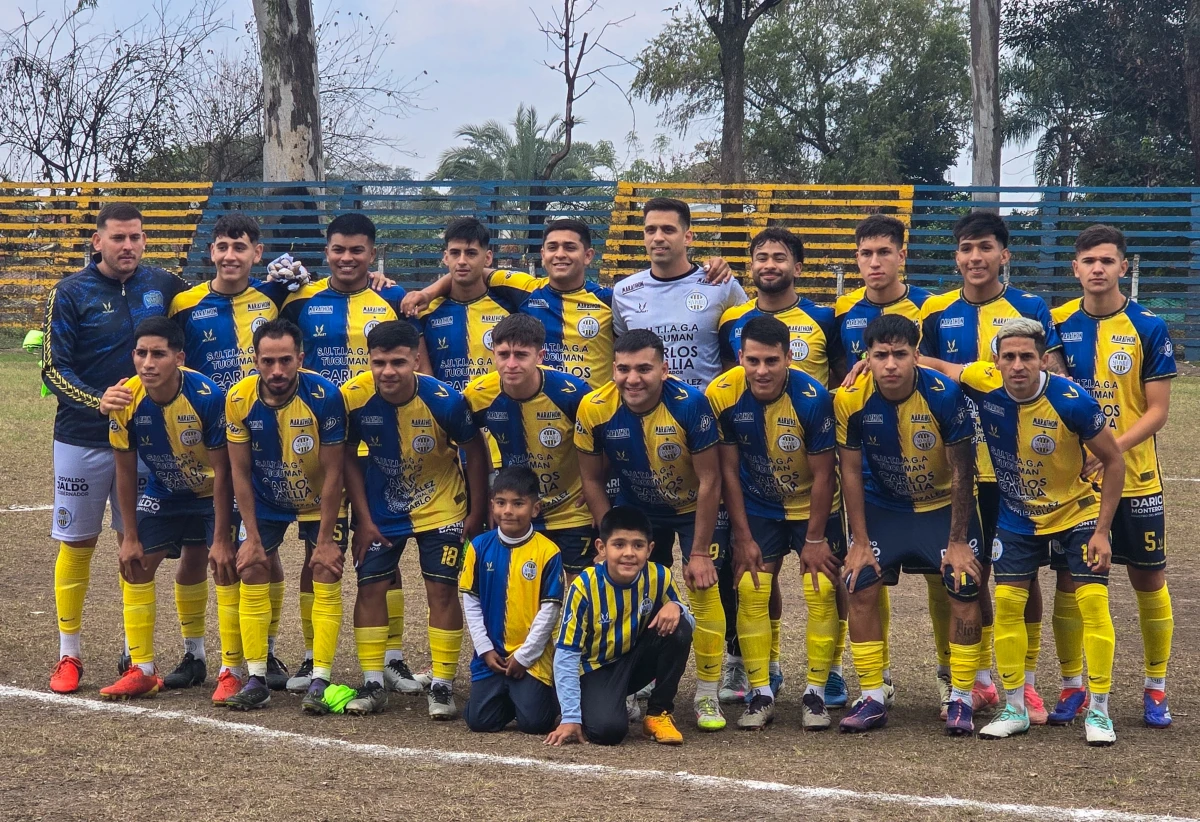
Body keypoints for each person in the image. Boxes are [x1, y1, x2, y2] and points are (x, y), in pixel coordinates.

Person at [930, 318, 1125, 746]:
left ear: (1043, 360)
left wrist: (1103, 532)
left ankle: (1100, 711)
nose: (1018, 365)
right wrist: (867, 364)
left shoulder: (1073, 400)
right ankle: (1015, 707)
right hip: (1017, 518)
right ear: (996, 361)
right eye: (1009, 357)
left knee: (1093, 604)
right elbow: (935, 366)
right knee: (1007, 605)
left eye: (1027, 357)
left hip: (1077, 514)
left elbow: (1114, 461)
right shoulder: (984, 384)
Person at [914, 211, 1066, 721]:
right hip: (960, 464)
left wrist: (958, 371)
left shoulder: (1030, 307)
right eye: (965, 248)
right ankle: (979, 678)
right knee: (970, 573)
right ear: (955, 256)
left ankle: (1023, 679)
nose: (974, 258)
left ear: (1005, 255)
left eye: (984, 248)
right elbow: (918, 373)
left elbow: (1057, 378)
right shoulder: (935, 311)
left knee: (1022, 577)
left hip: (1021, 466)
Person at [45, 202, 190, 694]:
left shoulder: (165, 285)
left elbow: (219, 299)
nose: (127, 246)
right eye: (118, 238)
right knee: (78, 542)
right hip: (82, 438)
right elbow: (52, 366)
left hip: (147, 440)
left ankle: (136, 655)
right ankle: (69, 654)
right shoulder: (70, 292)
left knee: (139, 544)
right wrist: (97, 400)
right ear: (97, 242)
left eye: (135, 237)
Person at [280, 213, 421, 694]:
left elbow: (434, 308)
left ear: (372, 253)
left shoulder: (393, 299)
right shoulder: (301, 301)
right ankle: (310, 655)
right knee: (313, 549)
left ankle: (394, 658)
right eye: (339, 249)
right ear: (326, 251)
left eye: (357, 250)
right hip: (318, 444)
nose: (347, 258)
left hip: (381, 441)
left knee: (382, 543)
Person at [1050, 225, 1176, 728]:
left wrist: (1111, 450)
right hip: (1074, 482)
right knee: (1071, 579)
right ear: (1075, 268)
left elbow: (1158, 410)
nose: (1097, 268)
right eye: (1088, 260)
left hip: (1137, 477)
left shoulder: (1149, 326)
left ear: (1124, 266)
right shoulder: (1056, 324)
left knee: (1148, 577)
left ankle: (1156, 686)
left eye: (1107, 260)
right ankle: (1072, 685)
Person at [835, 315, 984, 735]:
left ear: (917, 355)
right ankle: (872, 695)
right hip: (886, 508)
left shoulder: (945, 394)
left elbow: (962, 471)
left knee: (964, 584)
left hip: (940, 506)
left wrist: (957, 541)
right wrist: (859, 540)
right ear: (867, 358)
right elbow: (848, 472)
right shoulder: (851, 399)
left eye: (900, 354)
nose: (891, 365)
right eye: (880, 355)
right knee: (859, 583)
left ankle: (960, 696)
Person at [715, 225, 844, 708]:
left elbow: (839, 375)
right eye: (761, 257)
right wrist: (743, 533)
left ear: (798, 265)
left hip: (812, 484)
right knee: (751, 583)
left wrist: (814, 536)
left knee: (825, 585)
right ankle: (760, 675)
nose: (770, 264)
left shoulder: (824, 321)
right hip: (759, 493)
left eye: (779, 257)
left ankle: (825, 676)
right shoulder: (732, 324)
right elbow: (726, 467)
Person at [574, 329, 729, 731]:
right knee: (637, 593)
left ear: (665, 369)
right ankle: (638, 682)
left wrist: (698, 551)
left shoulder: (690, 404)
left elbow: (711, 480)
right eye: (623, 369)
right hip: (640, 507)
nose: (633, 379)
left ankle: (708, 693)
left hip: (693, 505)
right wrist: (611, 541)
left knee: (703, 585)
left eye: (644, 369)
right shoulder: (594, 407)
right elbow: (591, 480)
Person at [168, 211, 294, 695]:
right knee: (199, 549)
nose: (229, 255)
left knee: (261, 546)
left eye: (240, 247)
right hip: (200, 439)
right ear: (212, 252)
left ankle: (263, 649)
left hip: (263, 437)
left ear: (256, 254)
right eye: (222, 246)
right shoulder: (185, 302)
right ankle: (194, 651)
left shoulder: (278, 298)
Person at [341, 320, 489, 719]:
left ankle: (441, 685)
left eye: (398, 362)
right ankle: (373, 683)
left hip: (441, 505)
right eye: (379, 362)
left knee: (440, 591)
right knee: (369, 589)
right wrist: (362, 517)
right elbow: (345, 456)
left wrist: (476, 512)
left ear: (416, 360)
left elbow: (475, 452)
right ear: (368, 361)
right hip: (380, 511)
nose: (388, 371)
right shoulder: (351, 398)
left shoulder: (445, 400)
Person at [99, 318, 232, 700]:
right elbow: (124, 471)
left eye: (158, 354)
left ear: (179, 357)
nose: (148, 363)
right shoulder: (126, 399)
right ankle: (141, 668)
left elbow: (224, 472)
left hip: (212, 492)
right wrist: (130, 536)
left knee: (218, 563)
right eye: (141, 353)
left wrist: (221, 537)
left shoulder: (207, 395)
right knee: (136, 564)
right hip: (165, 490)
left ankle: (227, 667)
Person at [222, 319, 347, 714]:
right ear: (255, 361)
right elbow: (239, 472)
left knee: (325, 569)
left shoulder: (325, 396)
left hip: (318, 498)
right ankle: (256, 677)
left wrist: (325, 540)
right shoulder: (239, 398)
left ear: (300, 359)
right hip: (267, 498)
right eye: (268, 361)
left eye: (285, 361)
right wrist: (252, 538)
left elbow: (334, 473)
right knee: (252, 566)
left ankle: (320, 678)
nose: (277, 371)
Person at [545, 506, 694, 746]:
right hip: (594, 669)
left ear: (650, 549)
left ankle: (658, 714)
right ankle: (584, 706)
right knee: (608, 732)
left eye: (638, 545)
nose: (629, 553)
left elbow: (688, 626)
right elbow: (566, 654)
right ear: (602, 548)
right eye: (619, 544)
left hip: (631, 660)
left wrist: (677, 606)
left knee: (680, 627)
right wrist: (571, 716)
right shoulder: (584, 586)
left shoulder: (659, 576)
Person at [403, 219, 613, 388]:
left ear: (587, 256)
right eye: (552, 247)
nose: (559, 254)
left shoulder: (609, 299)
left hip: (591, 412)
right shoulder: (524, 289)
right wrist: (428, 294)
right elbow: (466, 273)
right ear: (543, 255)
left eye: (569, 247)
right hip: (538, 410)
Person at [463, 314, 594, 580]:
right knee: (520, 587)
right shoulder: (477, 395)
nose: (511, 364)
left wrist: (597, 493)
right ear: (493, 353)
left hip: (571, 508)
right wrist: (485, 500)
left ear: (540, 355)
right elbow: (472, 447)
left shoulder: (573, 393)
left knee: (581, 588)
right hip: (517, 509)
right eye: (503, 354)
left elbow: (602, 444)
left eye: (521, 355)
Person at [461, 466, 563, 734]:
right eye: (501, 503)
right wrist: (484, 649)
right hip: (492, 655)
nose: (508, 511)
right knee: (479, 722)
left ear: (535, 508)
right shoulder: (479, 547)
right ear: (492, 505)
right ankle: (506, 695)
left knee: (536, 724)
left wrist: (525, 656)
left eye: (518, 504)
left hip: (530, 657)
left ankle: (539, 697)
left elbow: (550, 610)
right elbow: (471, 602)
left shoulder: (548, 552)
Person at [612, 197, 747, 390]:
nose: (658, 237)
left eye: (668, 229)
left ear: (687, 237)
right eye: (651, 230)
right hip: (647, 411)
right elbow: (619, 352)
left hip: (704, 408)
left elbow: (748, 339)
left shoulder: (720, 283)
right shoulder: (624, 291)